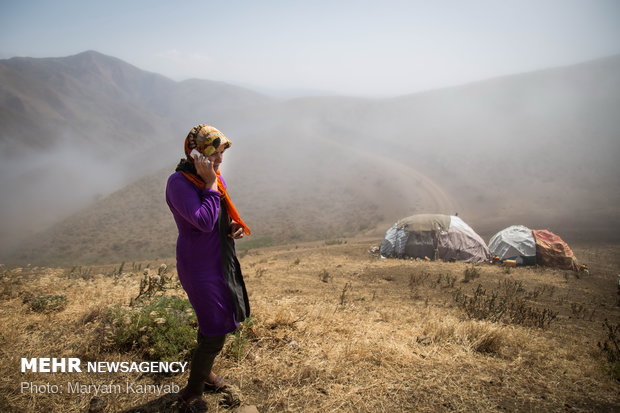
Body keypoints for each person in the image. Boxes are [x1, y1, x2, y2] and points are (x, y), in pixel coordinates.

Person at [165, 124, 251, 411]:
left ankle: (205, 375)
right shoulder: (180, 183)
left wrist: (232, 226)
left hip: (218, 261)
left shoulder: (209, 178)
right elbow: (202, 221)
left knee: (214, 323)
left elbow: (216, 218)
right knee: (215, 329)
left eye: (221, 157)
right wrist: (211, 183)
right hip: (198, 267)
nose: (219, 163)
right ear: (197, 153)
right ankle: (192, 391)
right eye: (214, 156)